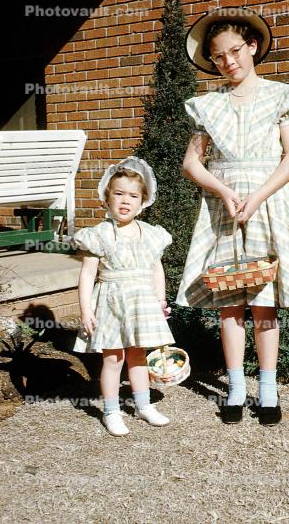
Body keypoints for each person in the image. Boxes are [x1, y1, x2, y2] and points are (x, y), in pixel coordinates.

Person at [176, 7, 289, 426]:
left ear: (252, 46)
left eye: (235, 51)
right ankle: (236, 387)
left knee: (264, 302)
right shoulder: (209, 105)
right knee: (229, 302)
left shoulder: (281, 97)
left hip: (267, 205)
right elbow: (191, 164)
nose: (229, 61)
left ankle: (268, 389)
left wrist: (256, 196)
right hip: (224, 211)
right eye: (219, 56)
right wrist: (223, 190)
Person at [73, 156, 175, 436]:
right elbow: (86, 275)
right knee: (112, 358)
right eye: (118, 194)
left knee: (138, 355)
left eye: (133, 195)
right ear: (107, 198)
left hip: (141, 301)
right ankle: (111, 411)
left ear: (143, 202)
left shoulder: (151, 235)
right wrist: (85, 310)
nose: (125, 200)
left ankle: (143, 405)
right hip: (111, 301)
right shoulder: (99, 235)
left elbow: (156, 268)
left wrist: (160, 298)